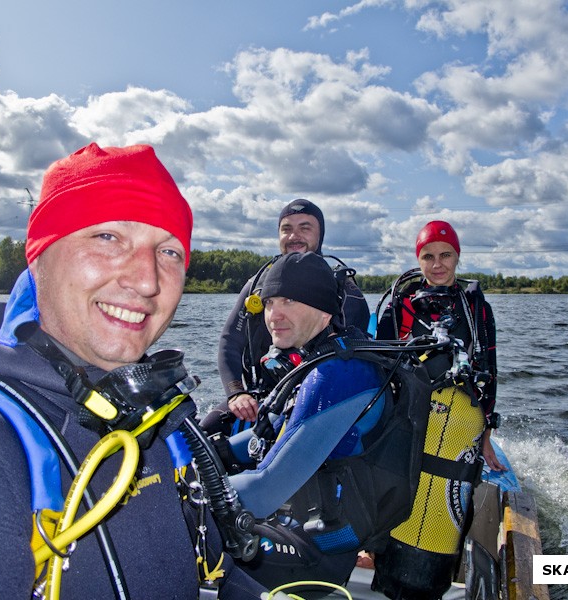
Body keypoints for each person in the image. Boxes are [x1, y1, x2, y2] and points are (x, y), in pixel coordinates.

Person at [0, 143, 268, 599]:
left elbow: (214, 576)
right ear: (38, 256)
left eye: (169, 252)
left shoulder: (154, 421)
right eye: (108, 237)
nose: (147, 280)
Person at [216, 252, 431, 591]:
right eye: (270, 302)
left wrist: (186, 496)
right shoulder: (313, 363)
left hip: (319, 547)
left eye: (290, 299)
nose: (274, 315)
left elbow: (264, 491)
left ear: (324, 309)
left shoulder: (338, 374)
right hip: (306, 522)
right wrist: (205, 454)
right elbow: (262, 434)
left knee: (201, 531)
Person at [201, 199, 370, 435]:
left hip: (321, 397)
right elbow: (230, 341)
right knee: (208, 430)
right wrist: (236, 393)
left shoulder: (345, 292)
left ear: (320, 235)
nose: (294, 236)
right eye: (287, 229)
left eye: (305, 228)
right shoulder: (257, 285)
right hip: (263, 393)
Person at [376, 220, 503, 471]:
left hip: (458, 414)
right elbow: (378, 369)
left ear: (457, 256)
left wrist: (486, 436)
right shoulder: (401, 305)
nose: (437, 265)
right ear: (418, 259)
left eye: (445, 255)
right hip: (407, 413)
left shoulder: (476, 309)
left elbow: (490, 373)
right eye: (428, 256)